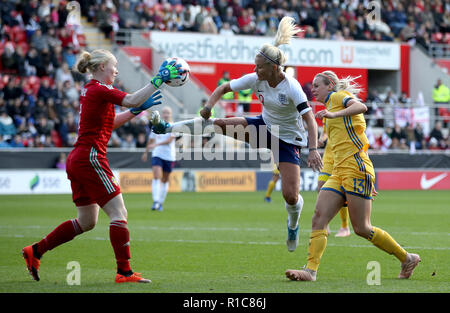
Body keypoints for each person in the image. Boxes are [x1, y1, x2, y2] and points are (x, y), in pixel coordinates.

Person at [153, 17, 323, 253]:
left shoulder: (291, 87)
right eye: (255, 65)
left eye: (259, 66)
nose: (255, 70)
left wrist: (313, 150)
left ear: (274, 68)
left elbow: (310, 121)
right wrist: (208, 106)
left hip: (287, 140)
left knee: (291, 196)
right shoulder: (256, 79)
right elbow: (224, 88)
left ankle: (292, 225)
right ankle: (167, 127)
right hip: (263, 128)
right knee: (218, 123)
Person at [21, 49, 182, 283]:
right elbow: (131, 99)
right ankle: (124, 271)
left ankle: (35, 251)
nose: (116, 70)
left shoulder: (92, 91)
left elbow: (111, 123)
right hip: (91, 158)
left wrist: (135, 111)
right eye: (114, 65)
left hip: (78, 158)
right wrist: (158, 80)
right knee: (119, 213)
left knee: (87, 221)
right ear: (100, 68)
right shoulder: (99, 88)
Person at [285, 70, 421, 282]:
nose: (313, 89)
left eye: (317, 85)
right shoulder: (329, 109)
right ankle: (310, 271)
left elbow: (361, 106)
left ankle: (407, 258)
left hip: (356, 167)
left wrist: (334, 115)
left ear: (330, 85)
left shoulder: (338, 98)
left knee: (362, 228)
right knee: (319, 218)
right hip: (339, 170)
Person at [318, 125, 350, 237]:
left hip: (341, 157)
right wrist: (322, 139)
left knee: (340, 192)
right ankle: (325, 223)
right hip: (328, 157)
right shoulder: (327, 114)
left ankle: (345, 227)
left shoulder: (346, 112)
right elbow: (325, 132)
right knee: (321, 188)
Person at [142, 106, 176, 212]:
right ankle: (155, 201)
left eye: (168, 113)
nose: (166, 114)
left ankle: (160, 202)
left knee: (165, 179)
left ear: (171, 114)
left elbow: (170, 140)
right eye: (164, 112)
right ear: (162, 114)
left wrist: (156, 144)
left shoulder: (174, 126)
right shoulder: (156, 126)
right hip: (157, 154)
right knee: (156, 176)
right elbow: (151, 140)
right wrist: (146, 152)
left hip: (169, 156)